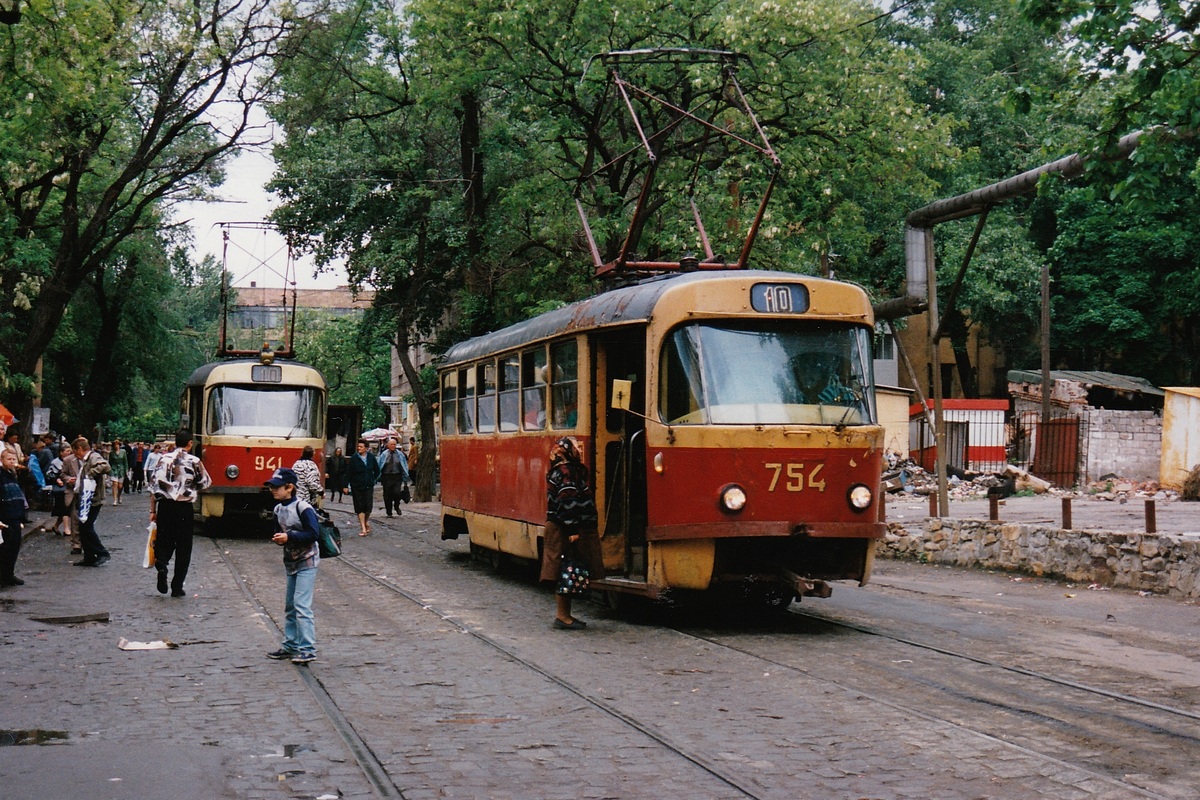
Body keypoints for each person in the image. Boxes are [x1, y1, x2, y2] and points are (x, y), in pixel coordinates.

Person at [540, 436, 605, 630]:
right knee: (565, 569)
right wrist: (572, 529)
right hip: (565, 529)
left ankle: (565, 615)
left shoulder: (564, 470)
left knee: (567, 569)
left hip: (565, 528)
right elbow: (567, 499)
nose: (580, 451)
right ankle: (562, 616)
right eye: (577, 448)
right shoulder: (567, 472)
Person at [264, 467, 320, 665]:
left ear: (290, 487)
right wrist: (280, 538)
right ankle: (290, 645)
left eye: (277, 487)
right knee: (290, 605)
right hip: (291, 561)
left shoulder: (303, 507)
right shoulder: (278, 509)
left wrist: (289, 536)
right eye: (271, 486)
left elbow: (314, 533)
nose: (273, 490)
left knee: (302, 605)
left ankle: (307, 648)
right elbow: (277, 530)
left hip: (307, 560)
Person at [149, 430, 212, 597]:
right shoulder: (194, 461)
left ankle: (162, 564)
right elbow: (205, 482)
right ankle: (177, 586)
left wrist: (152, 510)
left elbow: (153, 486)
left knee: (164, 539)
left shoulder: (163, 459)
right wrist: (190, 488)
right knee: (184, 546)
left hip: (165, 505)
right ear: (190, 443)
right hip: (184, 507)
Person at [61, 436, 111, 567]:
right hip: (84, 497)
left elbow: (105, 466)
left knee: (87, 526)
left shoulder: (93, 457)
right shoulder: (86, 459)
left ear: (80, 449)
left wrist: (90, 474)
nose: (74, 455)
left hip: (93, 498)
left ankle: (102, 552)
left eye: (75, 451)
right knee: (82, 527)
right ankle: (89, 556)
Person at [0, 447, 28, 587]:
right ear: (2, 460)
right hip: (5, 514)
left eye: (13, 459)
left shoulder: (14, 474)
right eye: (8, 459)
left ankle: (8, 574)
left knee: (14, 546)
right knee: (6, 546)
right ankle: (4, 575)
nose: (11, 462)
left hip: (15, 513)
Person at [347, 438, 380, 536]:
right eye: (358, 447)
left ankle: (366, 521)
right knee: (359, 506)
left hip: (368, 486)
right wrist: (346, 485)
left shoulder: (371, 458)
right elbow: (349, 472)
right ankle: (363, 528)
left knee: (368, 507)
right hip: (357, 486)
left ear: (366, 448)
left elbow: (377, 470)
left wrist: (373, 480)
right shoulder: (354, 458)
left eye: (361, 447)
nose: (359, 448)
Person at [377, 437, 409, 517]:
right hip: (386, 476)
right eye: (391, 444)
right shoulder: (384, 454)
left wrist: (405, 477)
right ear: (388, 445)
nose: (393, 446)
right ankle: (389, 512)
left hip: (397, 476)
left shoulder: (400, 455)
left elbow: (404, 465)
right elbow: (379, 465)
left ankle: (396, 506)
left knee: (397, 493)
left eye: (394, 444)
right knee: (387, 495)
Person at [45, 443, 71, 536]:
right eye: (67, 451)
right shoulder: (55, 462)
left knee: (64, 509)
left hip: (69, 487)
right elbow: (49, 474)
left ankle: (55, 526)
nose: (69, 452)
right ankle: (66, 529)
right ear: (61, 452)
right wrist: (57, 479)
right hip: (60, 489)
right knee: (64, 508)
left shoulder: (71, 461)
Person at [108, 438, 128, 505]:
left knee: (120, 486)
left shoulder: (123, 451)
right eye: (115, 445)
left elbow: (125, 462)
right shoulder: (111, 453)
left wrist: (126, 470)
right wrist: (109, 470)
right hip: (114, 469)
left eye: (118, 445)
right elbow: (110, 462)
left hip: (121, 469)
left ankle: (119, 495)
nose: (116, 446)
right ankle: (115, 499)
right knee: (115, 484)